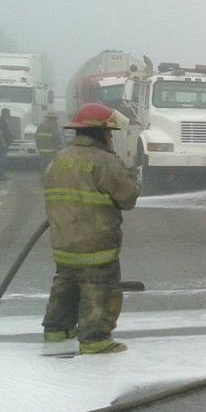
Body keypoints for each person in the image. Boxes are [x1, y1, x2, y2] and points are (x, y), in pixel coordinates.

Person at [41, 103, 140, 355]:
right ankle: (95, 340)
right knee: (100, 288)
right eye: (110, 133)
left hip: (63, 243)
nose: (111, 138)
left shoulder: (60, 158)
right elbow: (127, 198)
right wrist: (131, 179)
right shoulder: (105, 162)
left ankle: (57, 329)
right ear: (102, 133)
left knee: (65, 284)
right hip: (96, 245)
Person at [0, 107, 14, 180]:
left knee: (2, 159)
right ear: (4, 114)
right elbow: (0, 132)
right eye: (8, 113)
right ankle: (0, 175)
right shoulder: (1, 122)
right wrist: (4, 143)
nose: (9, 115)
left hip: (4, 143)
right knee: (2, 160)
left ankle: (1, 174)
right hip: (2, 144)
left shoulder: (4, 121)